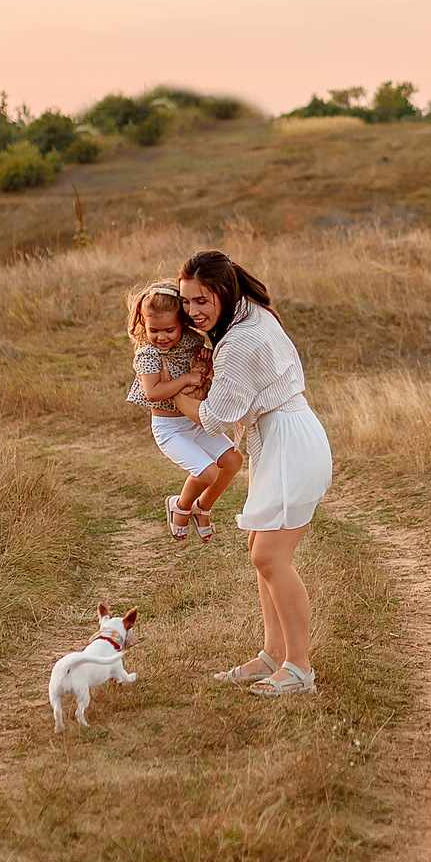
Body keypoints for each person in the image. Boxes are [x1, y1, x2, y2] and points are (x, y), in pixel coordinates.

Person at [168, 249, 333, 697]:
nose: (192, 312)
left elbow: (216, 417)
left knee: (270, 557)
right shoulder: (248, 314)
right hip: (283, 437)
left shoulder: (241, 338)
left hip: (291, 443)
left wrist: (165, 394)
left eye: (202, 301)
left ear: (223, 291)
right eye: (185, 302)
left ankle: (299, 668)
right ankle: (272, 655)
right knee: (259, 548)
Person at [124, 281, 242, 541]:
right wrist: (187, 379)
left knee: (233, 460)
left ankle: (203, 507)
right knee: (207, 472)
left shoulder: (191, 341)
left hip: (195, 420)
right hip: (170, 429)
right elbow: (153, 392)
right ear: (144, 325)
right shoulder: (148, 354)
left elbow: (205, 369)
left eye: (170, 330)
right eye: (154, 330)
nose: (162, 337)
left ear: (182, 324)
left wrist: (204, 363)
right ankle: (180, 505)